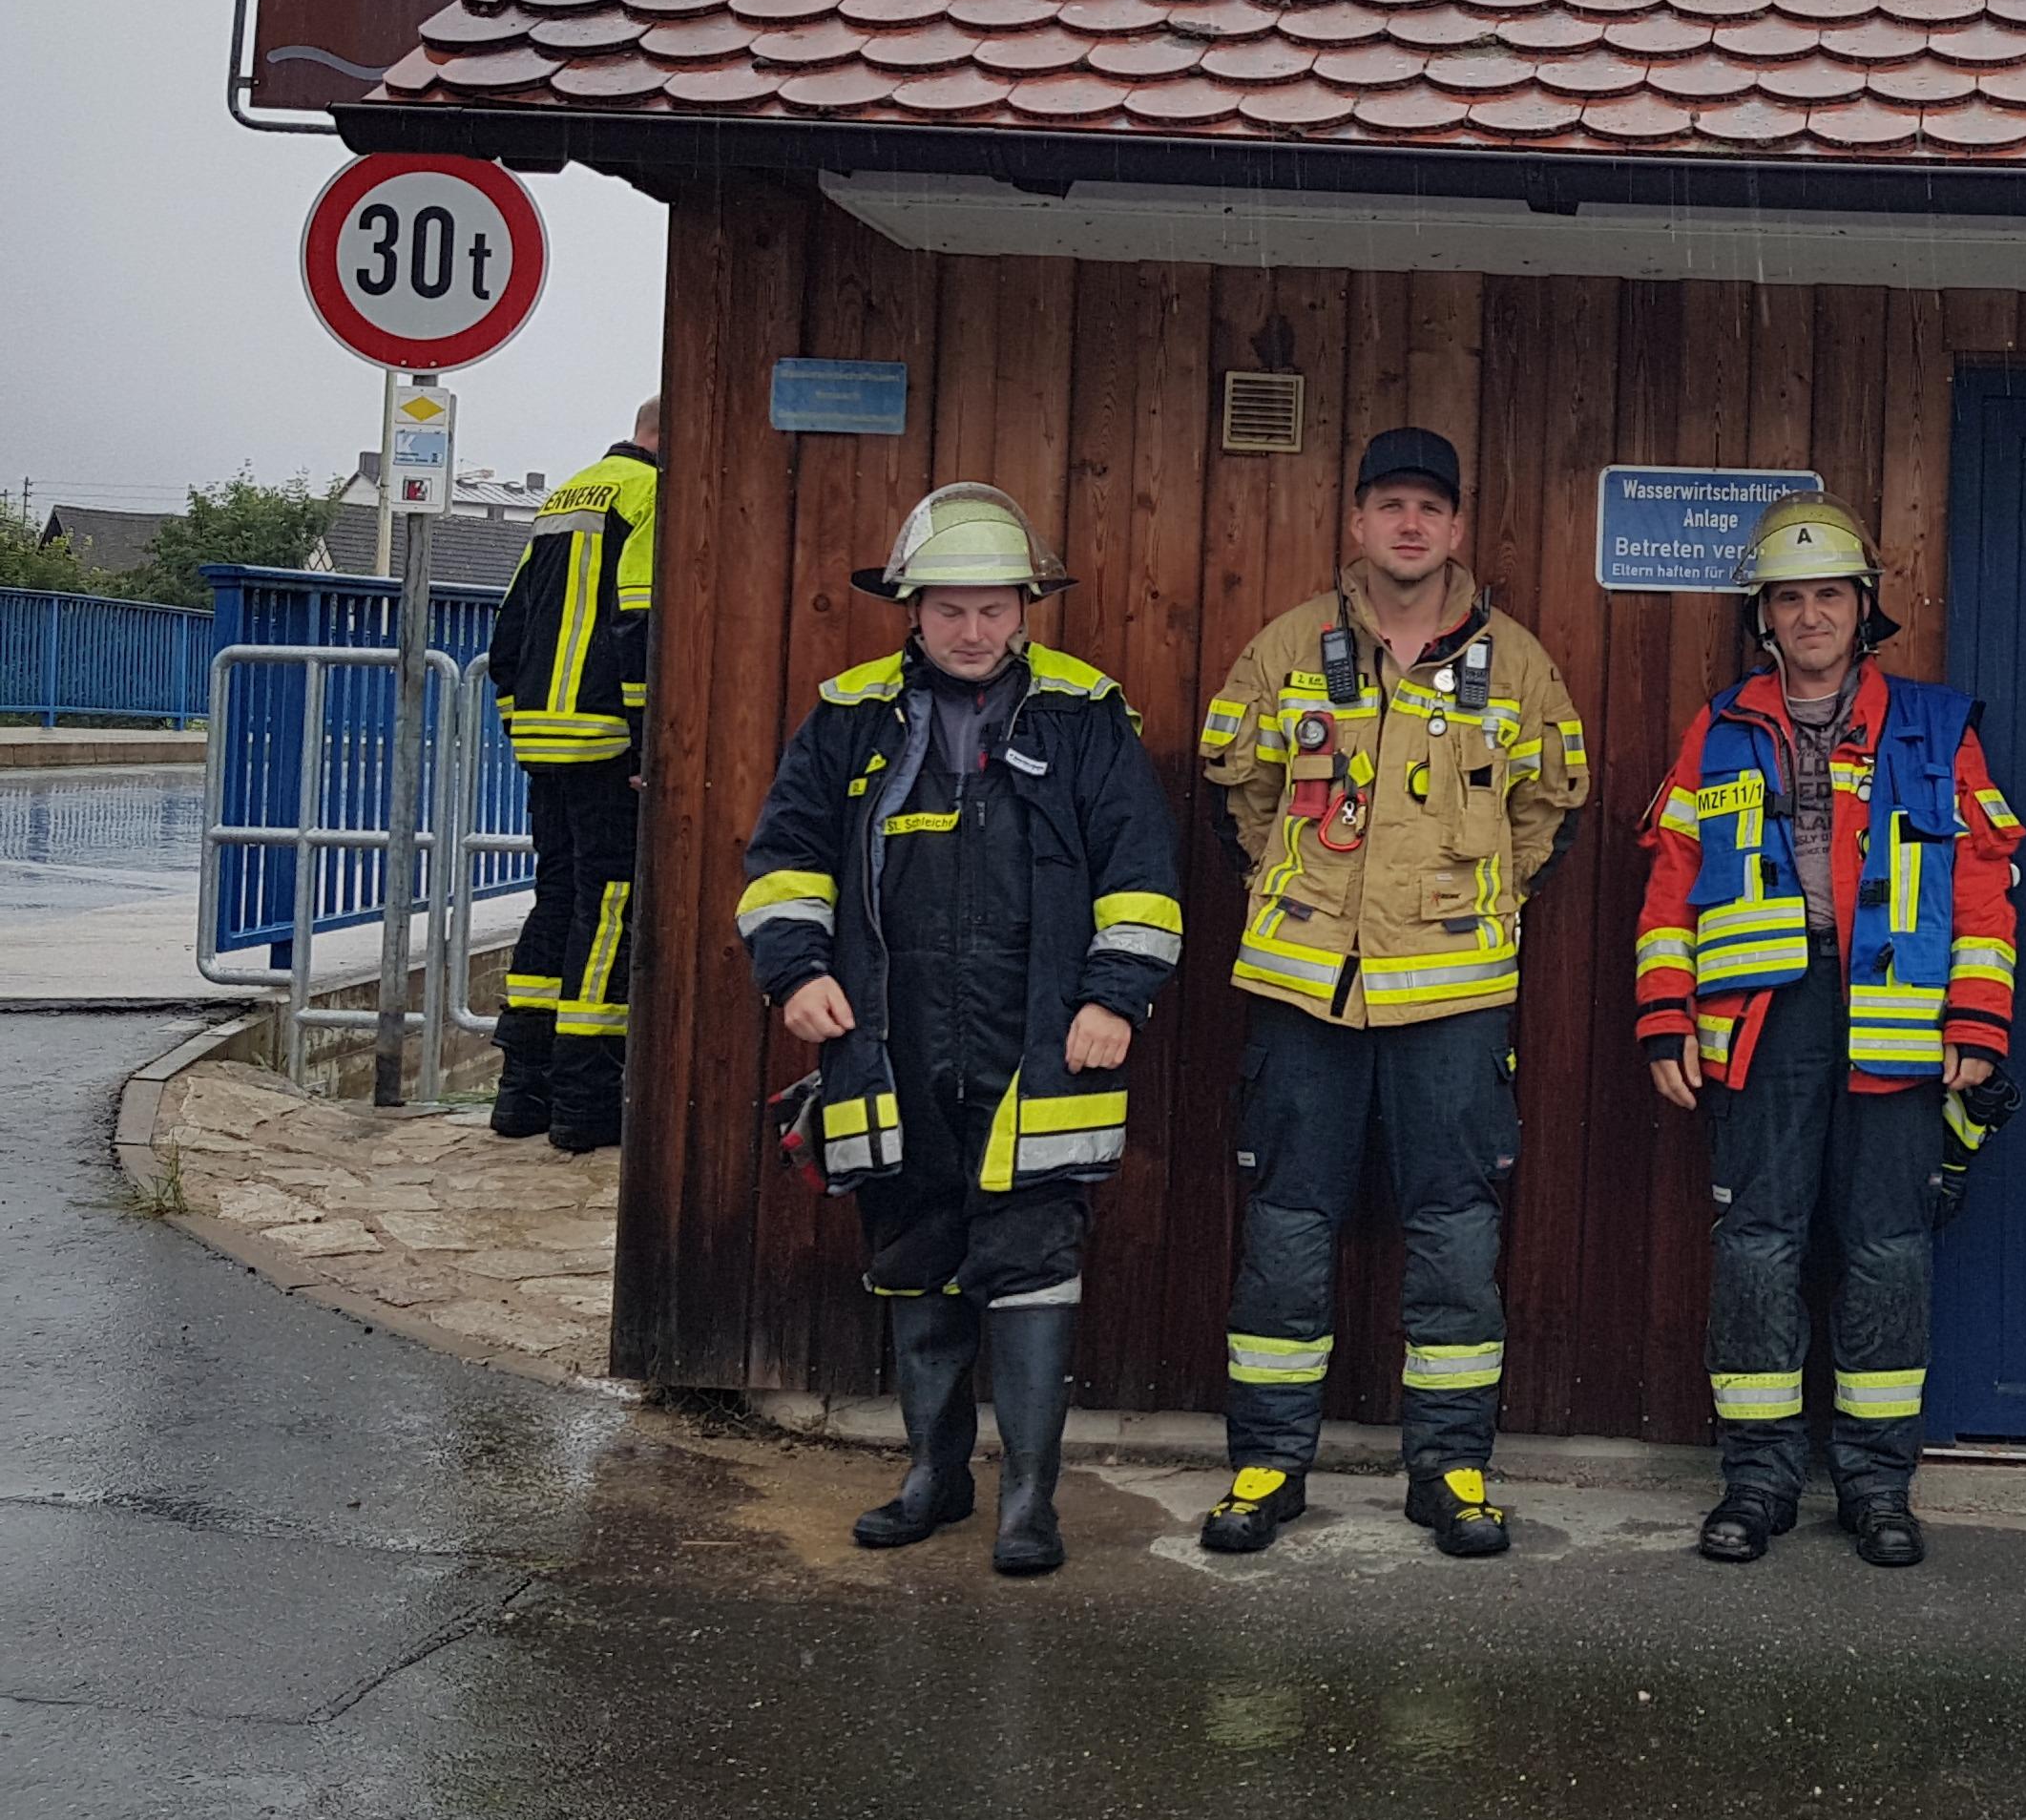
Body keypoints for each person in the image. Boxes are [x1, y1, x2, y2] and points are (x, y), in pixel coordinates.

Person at [732, 485, 1183, 1578]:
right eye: (950, 611)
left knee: (1033, 1255)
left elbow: (1141, 874)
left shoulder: (1084, 714)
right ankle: (933, 1477)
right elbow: (784, 858)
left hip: (1042, 1036)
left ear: (1026, 608)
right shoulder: (848, 715)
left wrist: (1114, 997)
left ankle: (1029, 1502)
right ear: (912, 610)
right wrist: (794, 974)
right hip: (887, 1032)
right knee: (912, 1246)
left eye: (992, 610)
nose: (973, 632)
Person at [1193, 429, 1589, 1560]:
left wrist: (1466, 911)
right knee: (1286, 1228)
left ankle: (1452, 1470)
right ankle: (1268, 1467)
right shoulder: (1286, 649)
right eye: (1388, 505)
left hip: (1455, 1004)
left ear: (1457, 529)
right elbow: (1245, 796)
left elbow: (1542, 814)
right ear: (1356, 523)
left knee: (1457, 1236)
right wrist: (1309, 895)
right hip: (1303, 993)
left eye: (1429, 507)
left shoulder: (1514, 663)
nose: (1409, 525)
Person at [1632, 494, 2025, 1569]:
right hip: (1763, 1022)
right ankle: (1755, 1484)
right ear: (1765, 616)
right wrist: (1668, 1017)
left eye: (1830, 596)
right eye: (1790, 598)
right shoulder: (1719, 729)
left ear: (1864, 609)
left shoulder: (1936, 728)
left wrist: (1979, 1015)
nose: (1810, 616)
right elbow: (1672, 884)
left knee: (1888, 1253)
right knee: (1759, 1249)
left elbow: (1985, 886)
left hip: (1898, 1018)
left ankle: (1876, 1486)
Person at [484, 398, 660, 1152]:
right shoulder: (653, 494)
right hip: (605, 737)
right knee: (610, 903)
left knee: (555, 896)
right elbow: (642, 620)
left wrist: (515, 721)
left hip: (541, 734)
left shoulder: (566, 494)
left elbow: (510, 626)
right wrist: (650, 743)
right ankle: (584, 1103)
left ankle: (521, 1090)